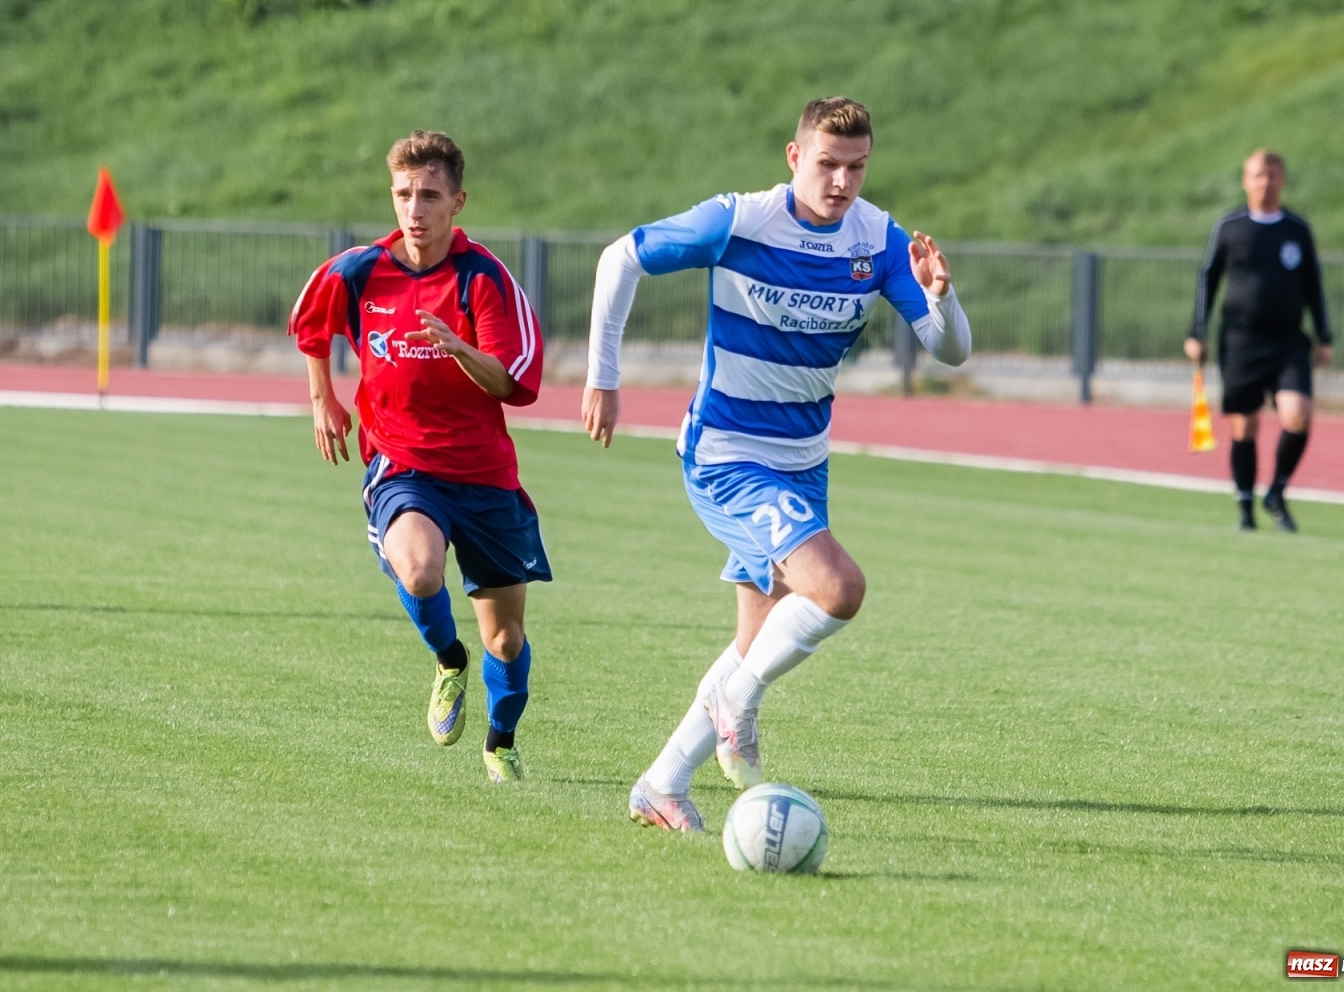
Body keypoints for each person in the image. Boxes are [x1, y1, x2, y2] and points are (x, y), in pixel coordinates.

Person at [581, 97, 972, 832]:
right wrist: (603, 376)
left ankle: (661, 786)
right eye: (827, 164)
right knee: (838, 588)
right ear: (795, 158)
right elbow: (621, 257)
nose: (842, 181)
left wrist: (940, 299)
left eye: (856, 167)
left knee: (752, 641)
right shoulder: (742, 220)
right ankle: (739, 701)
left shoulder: (879, 239)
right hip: (727, 454)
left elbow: (951, 351)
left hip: (803, 464)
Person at [288, 130, 548, 783]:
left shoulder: (482, 277)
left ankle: (501, 741)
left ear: (457, 201)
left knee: (508, 639)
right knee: (420, 570)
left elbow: (516, 382)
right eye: (404, 193)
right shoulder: (359, 269)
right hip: (403, 463)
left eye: (429, 195)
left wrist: (460, 349)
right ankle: (448, 659)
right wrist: (323, 400)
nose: (414, 209)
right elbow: (310, 324)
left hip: (484, 476)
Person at [1186, 149, 1332, 533]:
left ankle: (1277, 491)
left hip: (1288, 342)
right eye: (1257, 175)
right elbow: (1208, 278)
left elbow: (1313, 283)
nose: (1265, 182)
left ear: (1282, 180)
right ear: (1245, 181)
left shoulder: (1296, 229)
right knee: (1244, 426)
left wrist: (1324, 334)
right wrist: (1196, 331)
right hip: (1241, 342)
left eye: (1272, 175)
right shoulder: (1230, 226)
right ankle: (1246, 507)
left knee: (1297, 415)